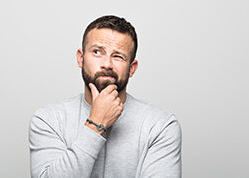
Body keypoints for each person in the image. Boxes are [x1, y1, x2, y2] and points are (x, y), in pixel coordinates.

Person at [29, 15, 182, 178]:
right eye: (97, 52)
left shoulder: (161, 125)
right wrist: (96, 124)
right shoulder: (48, 119)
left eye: (118, 56)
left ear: (132, 68)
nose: (107, 64)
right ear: (81, 59)